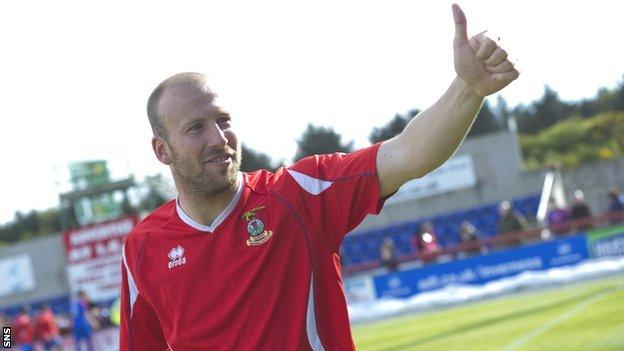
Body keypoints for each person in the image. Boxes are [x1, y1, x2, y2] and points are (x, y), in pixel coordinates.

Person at [119, 4, 519, 350]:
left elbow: (408, 153)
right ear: (162, 150)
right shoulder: (141, 248)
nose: (219, 138)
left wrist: (468, 89)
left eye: (224, 121)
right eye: (196, 128)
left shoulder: (299, 194)